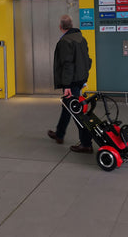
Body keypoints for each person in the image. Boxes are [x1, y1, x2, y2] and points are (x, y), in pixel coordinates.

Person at [47, 14, 93, 153]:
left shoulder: (65, 42)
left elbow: (67, 64)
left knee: (76, 111)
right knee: (68, 106)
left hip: (71, 81)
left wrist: (66, 85)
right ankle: (59, 134)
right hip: (79, 79)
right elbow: (88, 60)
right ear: (71, 26)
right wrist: (83, 78)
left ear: (60, 27)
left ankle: (86, 144)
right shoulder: (81, 39)